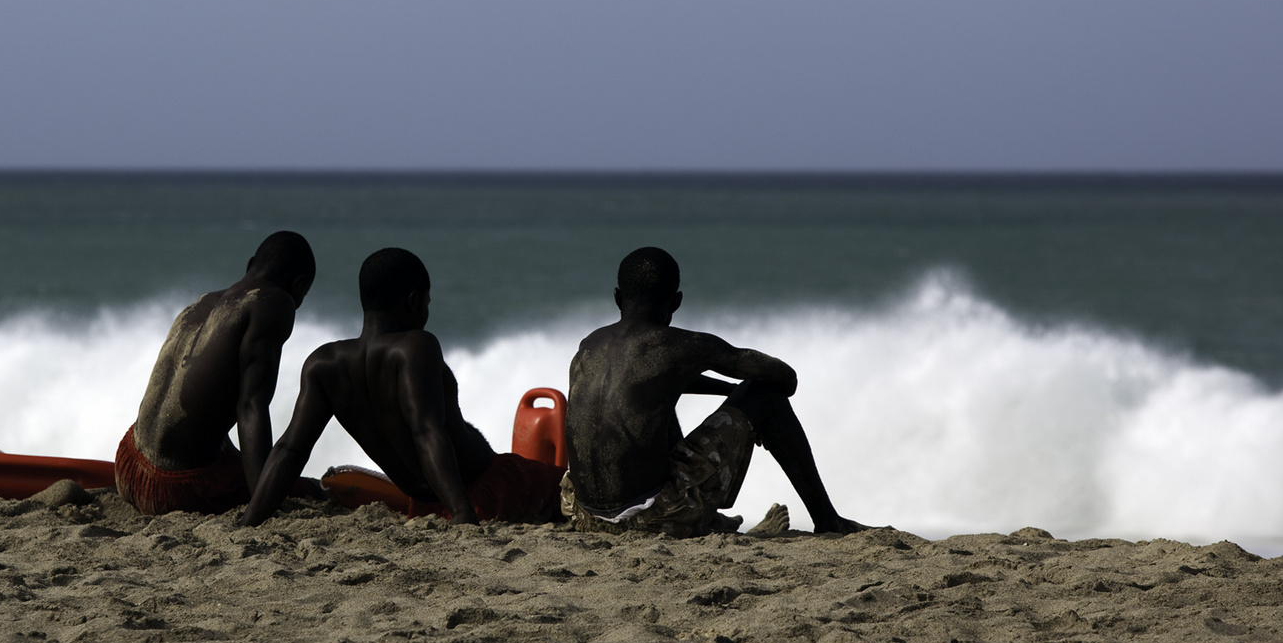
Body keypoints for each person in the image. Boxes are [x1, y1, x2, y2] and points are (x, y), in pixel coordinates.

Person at [242, 248, 564, 526]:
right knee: (565, 487)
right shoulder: (414, 347)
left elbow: (290, 450)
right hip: (488, 489)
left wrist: (250, 519)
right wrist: (462, 513)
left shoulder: (323, 365)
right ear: (413, 301)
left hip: (423, 509)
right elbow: (426, 431)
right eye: (427, 302)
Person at [563, 246, 862, 537]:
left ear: (617, 297)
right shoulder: (683, 346)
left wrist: (730, 390)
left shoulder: (589, 346)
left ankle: (712, 521)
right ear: (676, 301)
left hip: (581, 513)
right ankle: (827, 520)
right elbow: (785, 378)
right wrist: (747, 399)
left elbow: (652, 383)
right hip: (653, 519)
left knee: (656, 406)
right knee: (767, 396)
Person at [116, 231, 320, 515]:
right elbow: (251, 406)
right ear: (299, 285)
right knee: (303, 488)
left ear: (250, 265)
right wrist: (267, 501)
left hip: (127, 462)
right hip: (174, 488)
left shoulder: (202, 303)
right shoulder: (275, 303)